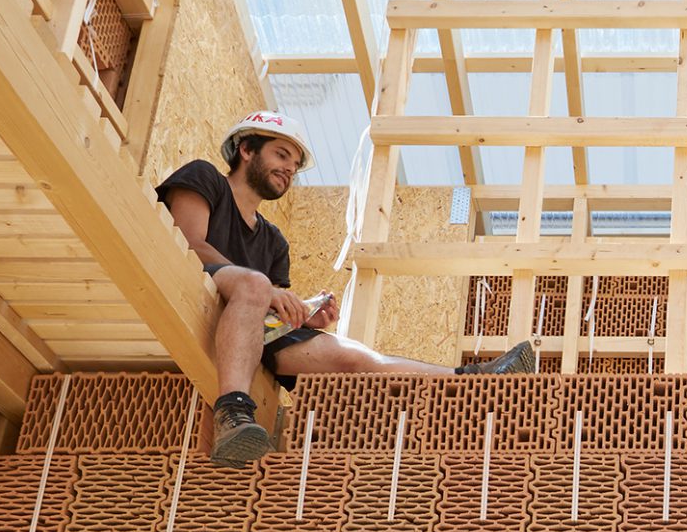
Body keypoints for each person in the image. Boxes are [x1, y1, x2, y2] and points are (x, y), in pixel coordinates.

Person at [157, 113, 536, 467]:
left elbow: (268, 316)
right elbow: (187, 243)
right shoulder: (206, 179)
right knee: (256, 284)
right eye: (281, 154)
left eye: (294, 165)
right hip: (197, 292)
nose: (289, 168)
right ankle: (232, 409)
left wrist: (302, 314)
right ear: (246, 149)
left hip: (252, 330)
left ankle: (472, 378)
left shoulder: (273, 242)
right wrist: (261, 289)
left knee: (356, 358)